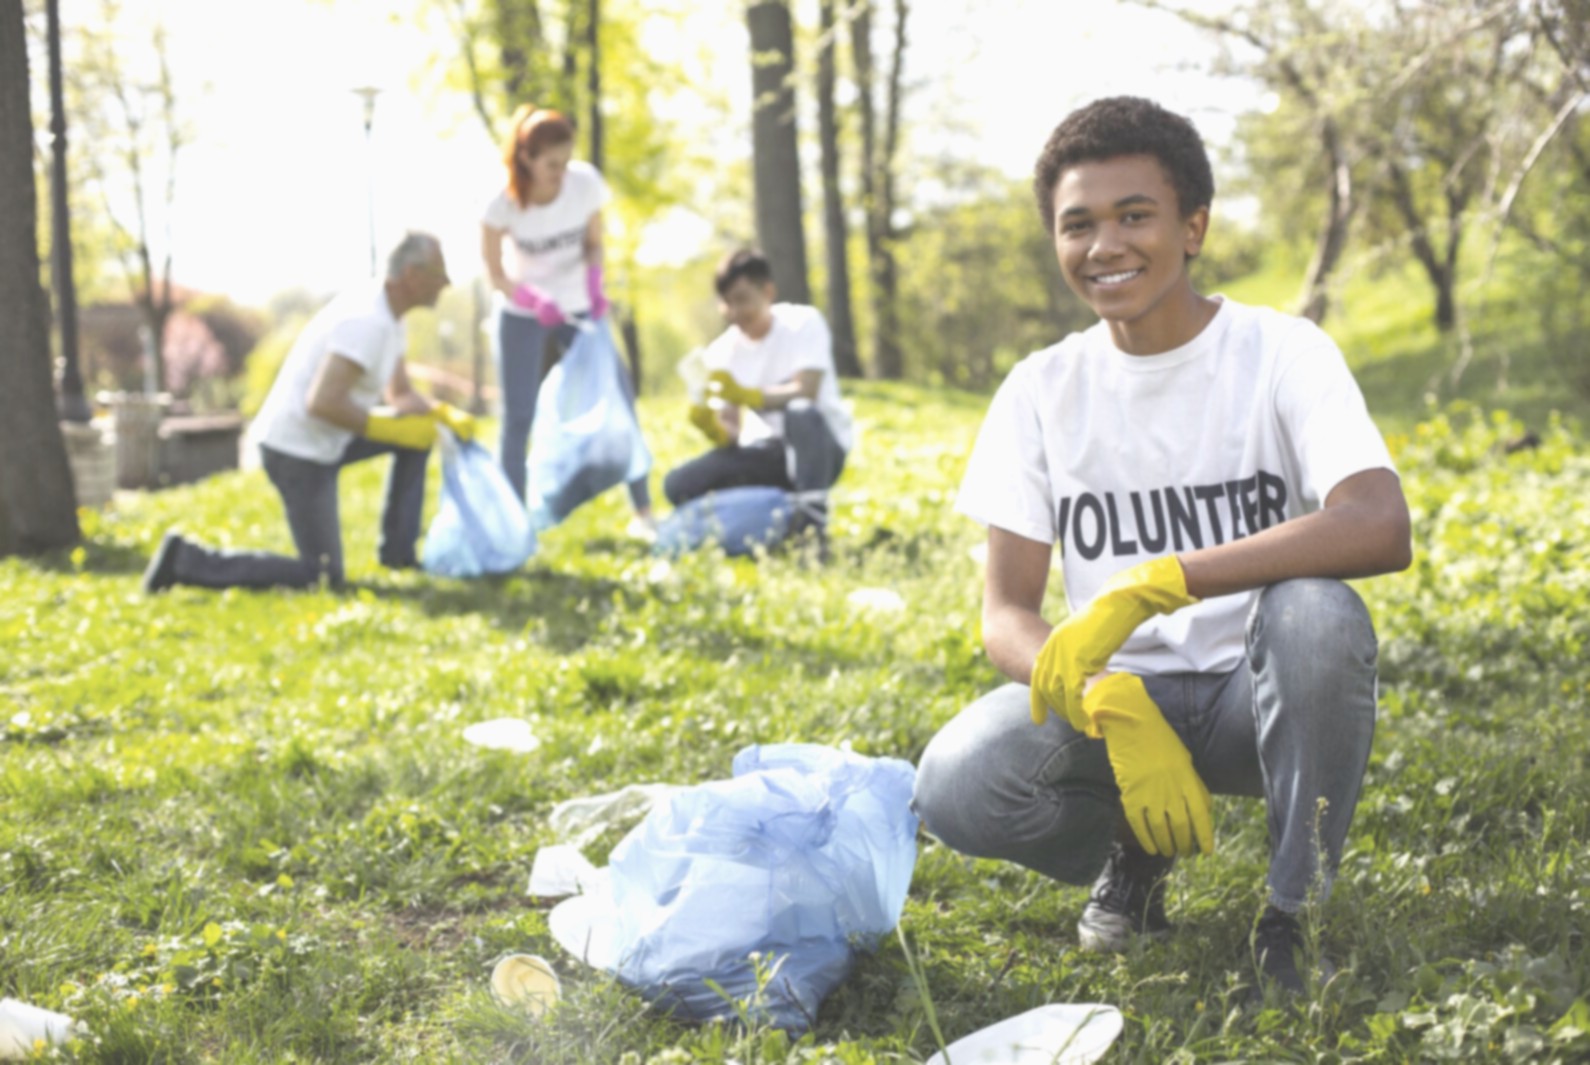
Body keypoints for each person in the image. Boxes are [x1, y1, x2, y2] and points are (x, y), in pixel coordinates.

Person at [910, 96, 1412, 995]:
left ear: (1193, 226)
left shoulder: (1280, 351)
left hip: (1253, 703)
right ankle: (1133, 854)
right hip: (1123, 705)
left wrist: (1169, 578)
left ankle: (1296, 911)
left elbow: (1377, 520)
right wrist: (1106, 697)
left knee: (1316, 614)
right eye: (1078, 225)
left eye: (1134, 215)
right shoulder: (1041, 389)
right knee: (953, 782)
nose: (1106, 245)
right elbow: (1006, 613)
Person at [142, 232, 475, 593]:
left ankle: (398, 553)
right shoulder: (367, 321)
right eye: (440, 273)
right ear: (412, 274)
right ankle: (185, 559)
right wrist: (386, 430)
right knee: (321, 575)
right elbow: (322, 402)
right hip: (296, 452)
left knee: (417, 435)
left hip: (329, 439)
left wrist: (438, 413)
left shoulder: (393, 319)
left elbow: (400, 394)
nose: (446, 283)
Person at [480, 104, 652, 529]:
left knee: (620, 394)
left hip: (580, 307)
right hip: (524, 313)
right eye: (551, 164)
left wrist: (595, 282)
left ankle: (643, 510)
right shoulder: (502, 202)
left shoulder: (585, 183)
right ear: (526, 159)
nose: (561, 171)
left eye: (566, 159)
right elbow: (494, 272)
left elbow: (594, 242)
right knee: (518, 416)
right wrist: (529, 297)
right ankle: (514, 521)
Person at [663, 249, 852, 539]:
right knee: (678, 485)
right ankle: (773, 521)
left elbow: (807, 390)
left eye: (741, 299)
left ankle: (812, 529)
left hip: (820, 447)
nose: (734, 312)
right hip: (766, 454)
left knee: (800, 411)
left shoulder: (803, 323)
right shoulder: (722, 352)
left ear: (768, 291)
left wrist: (749, 395)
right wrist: (711, 427)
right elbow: (733, 432)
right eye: (726, 303)